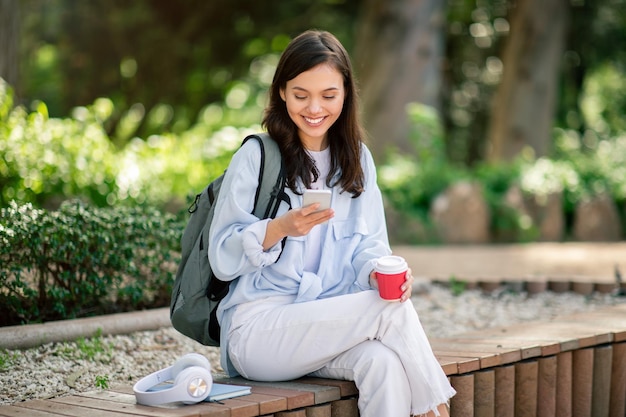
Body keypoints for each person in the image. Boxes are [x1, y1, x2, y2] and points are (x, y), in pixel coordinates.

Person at [208, 30, 456, 417]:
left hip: (324, 324)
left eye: (328, 95)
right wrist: (279, 228)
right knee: (386, 309)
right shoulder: (257, 157)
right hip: (258, 333)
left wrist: (380, 274)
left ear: (346, 94)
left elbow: (370, 249)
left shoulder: (357, 160)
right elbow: (221, 256)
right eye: (300, 94)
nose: (314, 108)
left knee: (383, 363)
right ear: (282, 93)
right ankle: (437, 410)